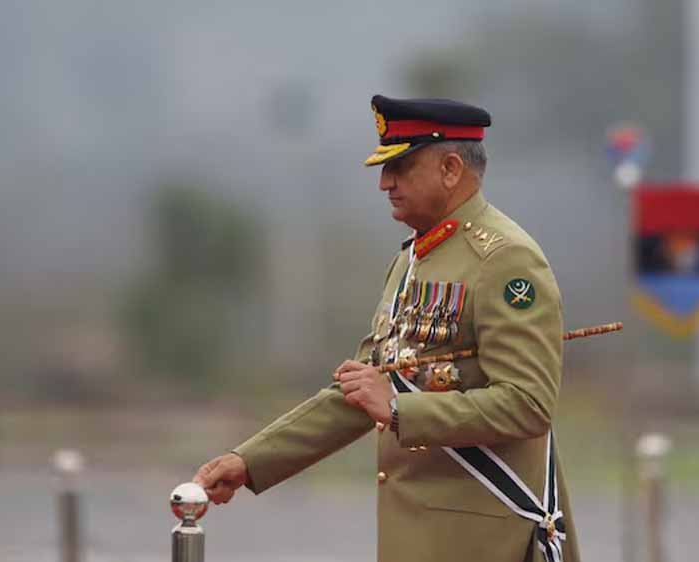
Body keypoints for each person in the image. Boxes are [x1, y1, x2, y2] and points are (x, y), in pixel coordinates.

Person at [193, 94, 580, 562]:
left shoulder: (504, 258)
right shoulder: (412, 259)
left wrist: (400, 409)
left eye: (400, 167)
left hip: (482, 538)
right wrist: (250, 461)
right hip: (417, 536)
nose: (384, 183)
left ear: (450, 169)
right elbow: (362, 391)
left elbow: (528, 404)